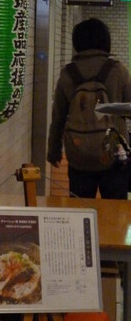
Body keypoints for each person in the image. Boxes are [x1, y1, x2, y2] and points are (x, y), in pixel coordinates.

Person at [47, 17, 131, 199]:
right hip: (114, 154)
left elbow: (58, 117)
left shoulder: (68, 74)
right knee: (116, 210)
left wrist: (54, 150)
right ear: (105, 41)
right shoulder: (119, 71)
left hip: (79, 155)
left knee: (80, 208)